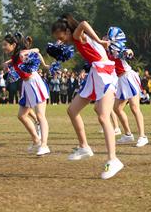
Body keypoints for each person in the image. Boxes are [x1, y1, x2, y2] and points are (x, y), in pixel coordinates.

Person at [51, 14, 123, 179]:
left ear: (67, 32)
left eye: (61, 38)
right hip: (95, 73)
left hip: (105, 72)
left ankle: (113, 159)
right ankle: (84, 147)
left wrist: (99, 41)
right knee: (72, 110)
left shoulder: (77, 35)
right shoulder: (76, 39)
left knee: (103, 116)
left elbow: (83, 23)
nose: (60, 41)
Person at [3, 33, 51, 156]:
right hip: (26, 85)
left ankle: (44, 145)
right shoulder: (15, 56)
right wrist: (6, 64)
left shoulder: (22, 53)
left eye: (5, 45)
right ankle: (36, 140)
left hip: (35, 83)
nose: (3, 47)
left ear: (13, 45)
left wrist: (44, 65)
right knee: (22, 115)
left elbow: (37, 51)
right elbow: (14, 61)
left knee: (40, 116)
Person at [109, 38, 148, 148]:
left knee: (134, 107)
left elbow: (128, 51)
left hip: (128, 77)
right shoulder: (106, 52)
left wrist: (126, 52)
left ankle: (143, 136)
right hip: (121, 80)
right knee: (117, 108)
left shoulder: (116, 48)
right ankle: (128, 134)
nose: (104, 39)